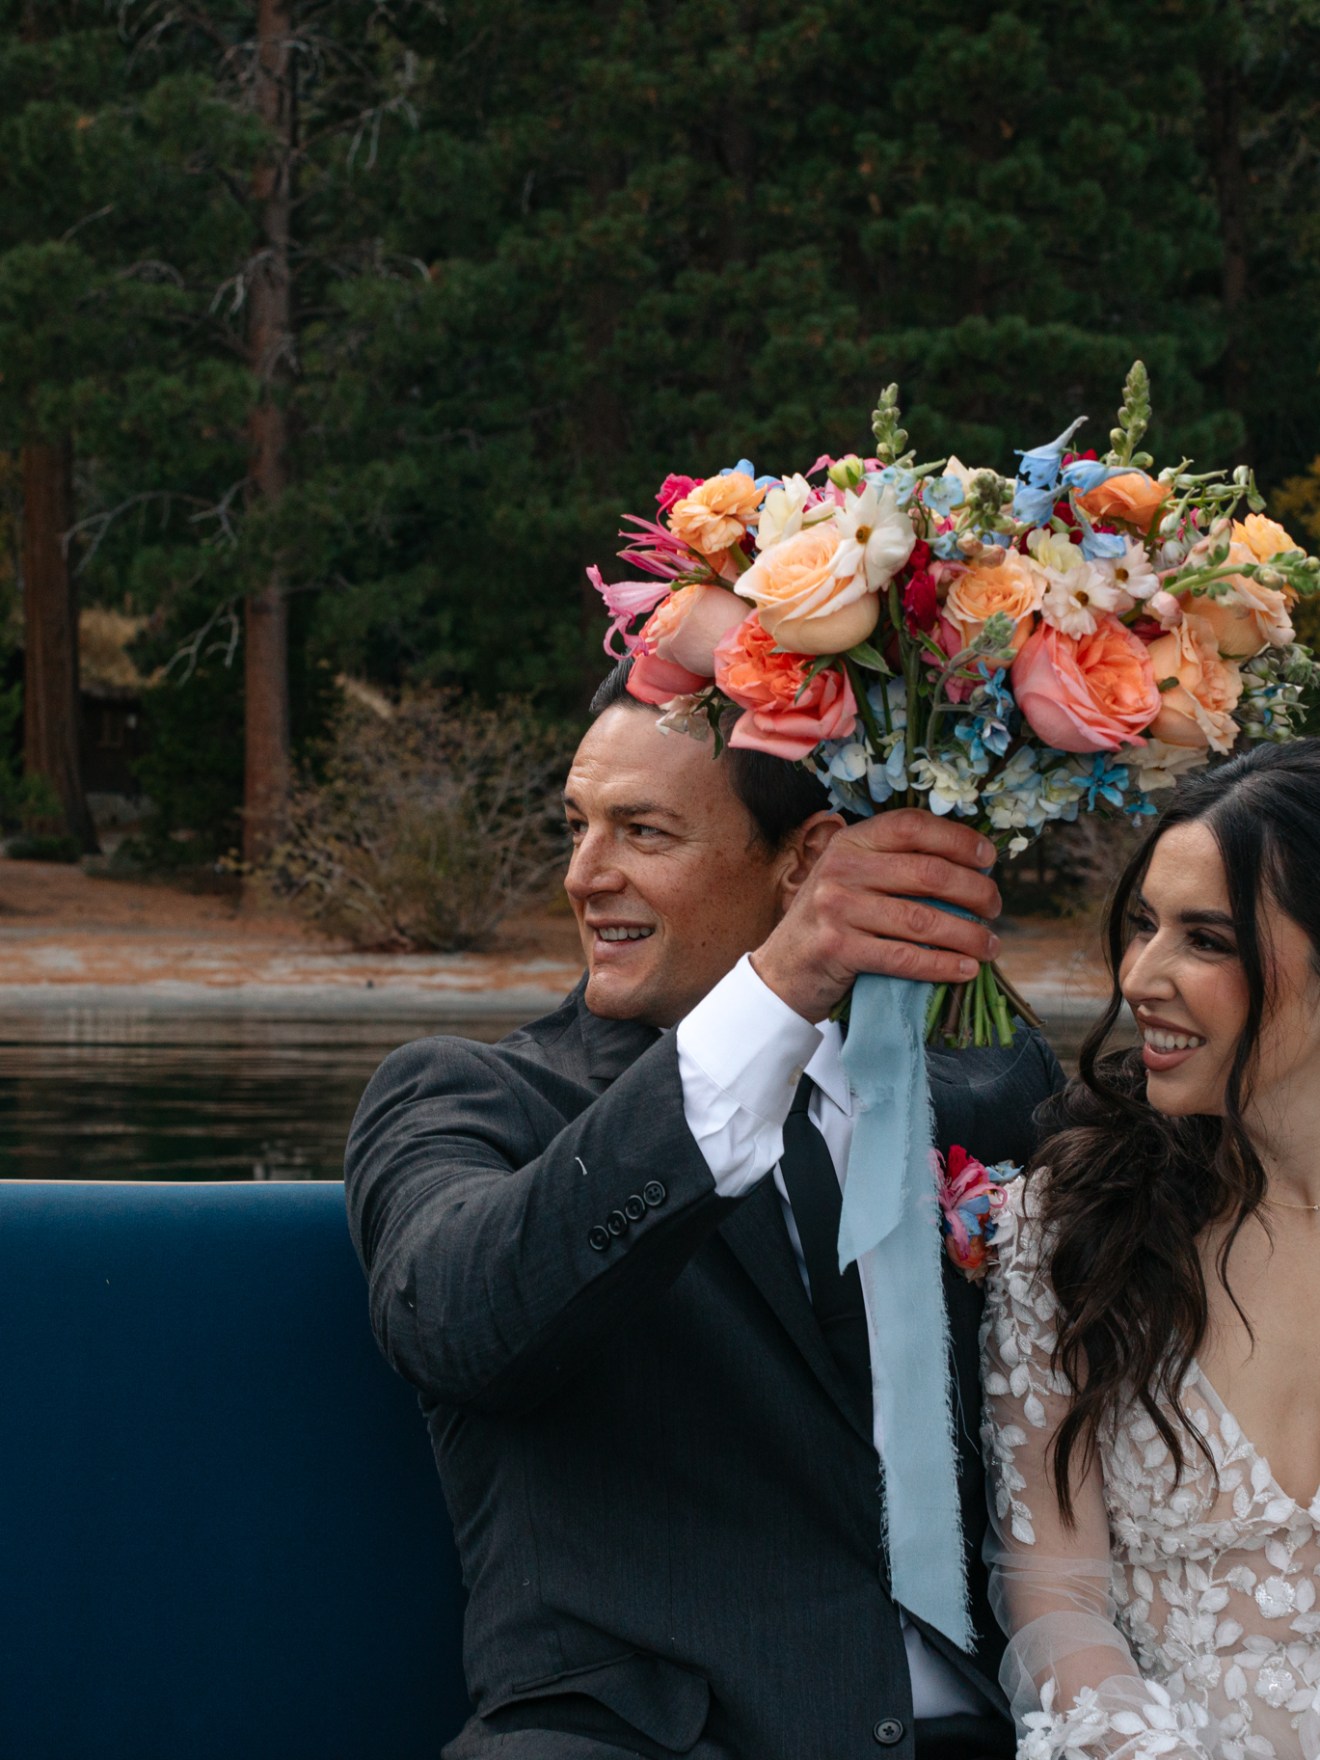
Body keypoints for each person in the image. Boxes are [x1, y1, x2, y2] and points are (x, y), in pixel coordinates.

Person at [346, 659, 1063, 1760]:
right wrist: (772, 994)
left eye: (643, 831)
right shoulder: (467, 1095)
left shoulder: (993, 1088)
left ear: (808, 859)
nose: (585, 875)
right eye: (577, 824)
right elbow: (457, 1322)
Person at [981, 738, 1320, 1759]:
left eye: (1205, 939)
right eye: (1142, 926)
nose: (1141, 976)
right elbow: (1057, 1595)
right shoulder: (1078, 1223)